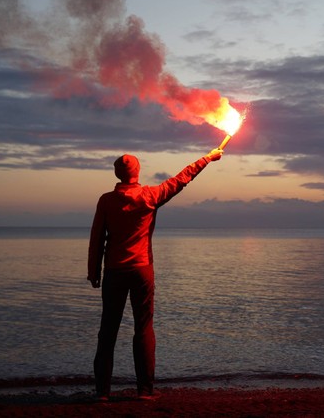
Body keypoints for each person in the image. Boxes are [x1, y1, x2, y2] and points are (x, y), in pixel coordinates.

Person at [87, 148, 224, 402]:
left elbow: (97, 237)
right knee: (143, 327)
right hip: (141, 270)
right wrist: (206, 158)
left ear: (117, 173)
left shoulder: (106, 200)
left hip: (114, 271)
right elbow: (183, 178)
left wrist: (93, 270)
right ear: (137, 172)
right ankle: (145, 391)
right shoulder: (151, 195)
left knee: (108, 330)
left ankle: (102, 392)